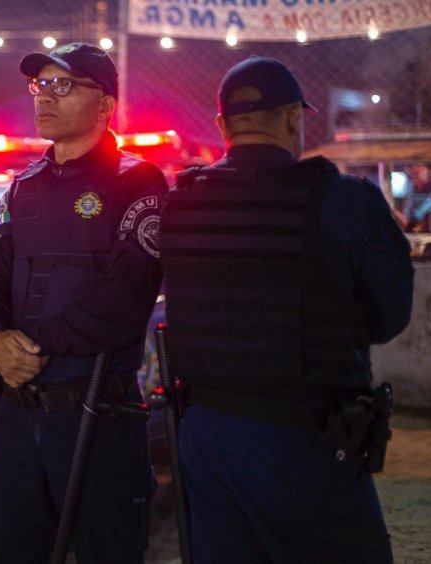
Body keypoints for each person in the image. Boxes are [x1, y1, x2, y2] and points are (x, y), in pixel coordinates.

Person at [159, 56, 415, 563]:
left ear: (222, 125)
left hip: (204, 435)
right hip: (303, 437)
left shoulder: (181, 199)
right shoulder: (344, 199)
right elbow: (391, 317)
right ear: (295, 118)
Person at [0, 43, 168, 563]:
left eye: (65, 86)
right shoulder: (22, 187)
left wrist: (30, 348)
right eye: (41, 86)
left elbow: (126, 295)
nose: (45, 98)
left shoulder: (137, 180)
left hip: (96, 412)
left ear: (105, 105)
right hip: (16, 418)